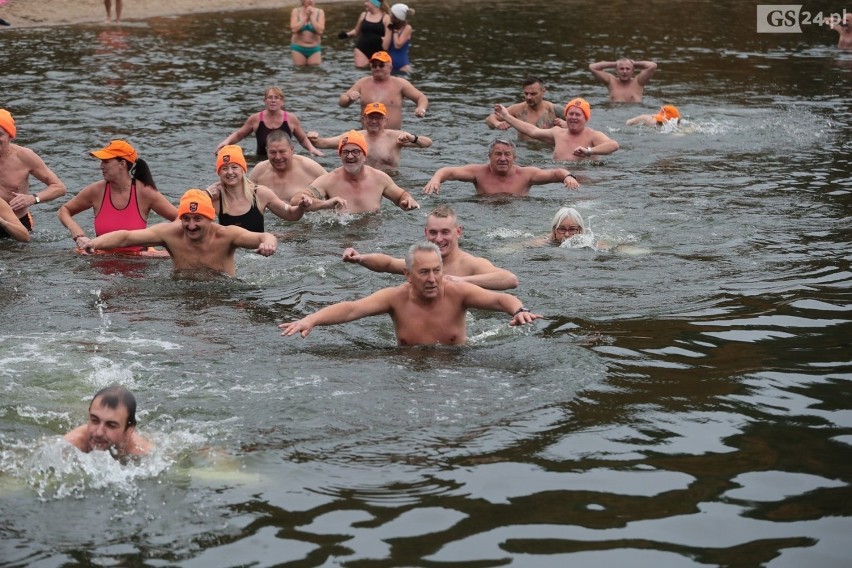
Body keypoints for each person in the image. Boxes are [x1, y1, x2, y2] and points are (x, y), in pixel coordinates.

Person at [280, 241, 542, 346]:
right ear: (407, 274)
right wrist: (311, 319)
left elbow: (500, 298)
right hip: (408, 370)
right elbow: (352, 308)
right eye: (424, 272)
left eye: (437, 271)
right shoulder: (395, 297)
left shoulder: (457, 292)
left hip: (458, 367)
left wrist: (519, 310)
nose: (432, 279)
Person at [83, 189, 277, 277]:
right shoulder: (169, 234)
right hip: (181, 290)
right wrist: (94, 243)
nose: (191, 225)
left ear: (210, 219)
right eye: (186, 218)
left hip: (224, 293)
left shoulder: (227, 235)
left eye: (197, 219)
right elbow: (126, 237)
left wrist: (268, 243)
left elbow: (263, 236)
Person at [343, 204, 518, 290]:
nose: (439, 239)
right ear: (426, 233)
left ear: (458, 232)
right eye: (433, 233)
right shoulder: (422, 262)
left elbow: (510, 280)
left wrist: (461, 281)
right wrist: (360, 258)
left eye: (445, 232)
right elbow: (388, 264)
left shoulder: (471, 265)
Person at [58, 139, 177, 254]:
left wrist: (168, 249)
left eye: (106, 161)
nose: (101, 166)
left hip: (138, 263)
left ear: (122, 164)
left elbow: (181, 219)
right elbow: (64, 210)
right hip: (101, 264)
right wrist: (78, 235)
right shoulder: (96, 191)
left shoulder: (145, 192)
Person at [296, 130, 420, 213]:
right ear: (340, 156)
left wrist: (407, 200)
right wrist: (325, 204)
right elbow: (295, 200)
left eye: (355, 151)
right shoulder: (329, 180)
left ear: (364, 155)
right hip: (340, 240)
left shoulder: (380, 178)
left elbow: (400, 196)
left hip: (374, 239)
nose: (350, 156)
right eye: (345, 152)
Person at [205, 144, 312, 232]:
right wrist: (206, 194)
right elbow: (191, 218)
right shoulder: (214, 198)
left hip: (257, 254)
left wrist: (301, 207)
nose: (229, 172)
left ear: (243, 169)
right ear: (219, 172)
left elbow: (290, 215)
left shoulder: (261, 194)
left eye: (234, 167)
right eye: (224, 168)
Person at [423, 137, 580, 196]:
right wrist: (436, 179)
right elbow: (449, 172)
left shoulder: (526, 175)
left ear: (514, 157)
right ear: (489, 157)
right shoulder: (478, 173)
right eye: (498, 154)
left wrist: (568, 176)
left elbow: (555, 173)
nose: (503, 159)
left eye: (507, 154)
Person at [307, 101, 431, 173]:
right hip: (363, 181)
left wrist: (412, 138)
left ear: (385, 120)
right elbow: (322, 143)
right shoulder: (353, 137)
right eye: (371, 117)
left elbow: (427, 143)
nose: (374, 121)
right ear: (364, 119)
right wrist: (313, 137)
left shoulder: (396, 137)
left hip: (391, 181)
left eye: (378, 117)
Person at [0, 108, 67, 238]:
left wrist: (33, 198)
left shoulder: (24, 156)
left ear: (10, 135)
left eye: (0, 134)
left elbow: (59, 187)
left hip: (19, 222)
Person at [493, 99, 620, 161]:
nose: (573, 118)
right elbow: (531, 131)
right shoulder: (557, 132)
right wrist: (506, 116)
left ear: (585, 118)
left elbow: (613, 145)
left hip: (585, 180)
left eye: (578, 115)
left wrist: (589, 151)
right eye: (571, 114)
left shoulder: (593, 135)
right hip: (560, 182)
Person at [215, 86, 324, 158]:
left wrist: (313, 150)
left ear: (282, 102)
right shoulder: (256, 118)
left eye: (276, 98)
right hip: (261, 159)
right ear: (264, 101)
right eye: (269, 98)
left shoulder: (291, 118)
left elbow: (302, 138)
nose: (273, 100)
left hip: (285, 160)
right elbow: (239, 134)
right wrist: (226, 143)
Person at [338, 51, 429, 129]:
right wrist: (349, 98)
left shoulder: (400, 84)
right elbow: (342, 102)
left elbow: (421, 97)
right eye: (374, 65)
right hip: (367, 134)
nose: (377, 68)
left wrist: (421, 108)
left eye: (381, 65)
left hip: (392, 136)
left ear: (390, 67)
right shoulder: (362, 83)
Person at [64, 385, 153, 458]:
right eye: (94, 420)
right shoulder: (71, 445)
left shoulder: (143, 453)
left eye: (111, 425)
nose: (99, 432)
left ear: (129, 431)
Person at [248, 130, 328, 203]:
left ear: (292, 149)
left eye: (282, 152)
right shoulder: (258, 171)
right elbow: (244, 198)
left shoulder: (309, 167)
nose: (278, 157)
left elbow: (332, 186)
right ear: (267, 151)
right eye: (273, 152)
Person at [485, 76, 559, 139]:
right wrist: (496, 123)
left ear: (543, 91)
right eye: (526, 94)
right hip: (523, 149)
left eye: (533, 94)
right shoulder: (517, 109)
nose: (528, 97)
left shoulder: (553, 109)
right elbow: (489, 119)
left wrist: (565, 124)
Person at [338, 0, 392, 68]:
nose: (364, 4)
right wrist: (346, 34)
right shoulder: (363, 15)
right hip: (362, 49)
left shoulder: (386, 18)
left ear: (375, 3)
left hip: (378, 51)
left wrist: (380, 41)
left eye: (367, 1)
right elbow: (356, 31)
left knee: (376, 71)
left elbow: (386, 44)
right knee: (361, 70)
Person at [588, 58, 657, 103]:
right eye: (621, 69)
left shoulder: (639, 82)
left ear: (632, 71)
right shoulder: (611, 81)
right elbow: (592, 67)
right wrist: (615, 64)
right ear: (616, 71)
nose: (624, 71)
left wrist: (633, 63)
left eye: (628, 69)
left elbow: (653, 66)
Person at [290, 0, 325, 66]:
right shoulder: (296, 11)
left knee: (314, 70)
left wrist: (311, 17)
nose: (310, 0)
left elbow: (320, 31)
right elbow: (294, 29)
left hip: (314, 48)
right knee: (299, 70)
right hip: (298, 48)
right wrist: (305, 17)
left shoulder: (320, 12)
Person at [388, 3, 414, 75]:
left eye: (391, 14)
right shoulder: (390, 27)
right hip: (389, 65)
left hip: (402, 65)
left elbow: (398, 45)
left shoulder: (407, 28)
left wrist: (395, 31)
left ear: (396, 16)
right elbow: (385, 46)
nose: (389, 15)